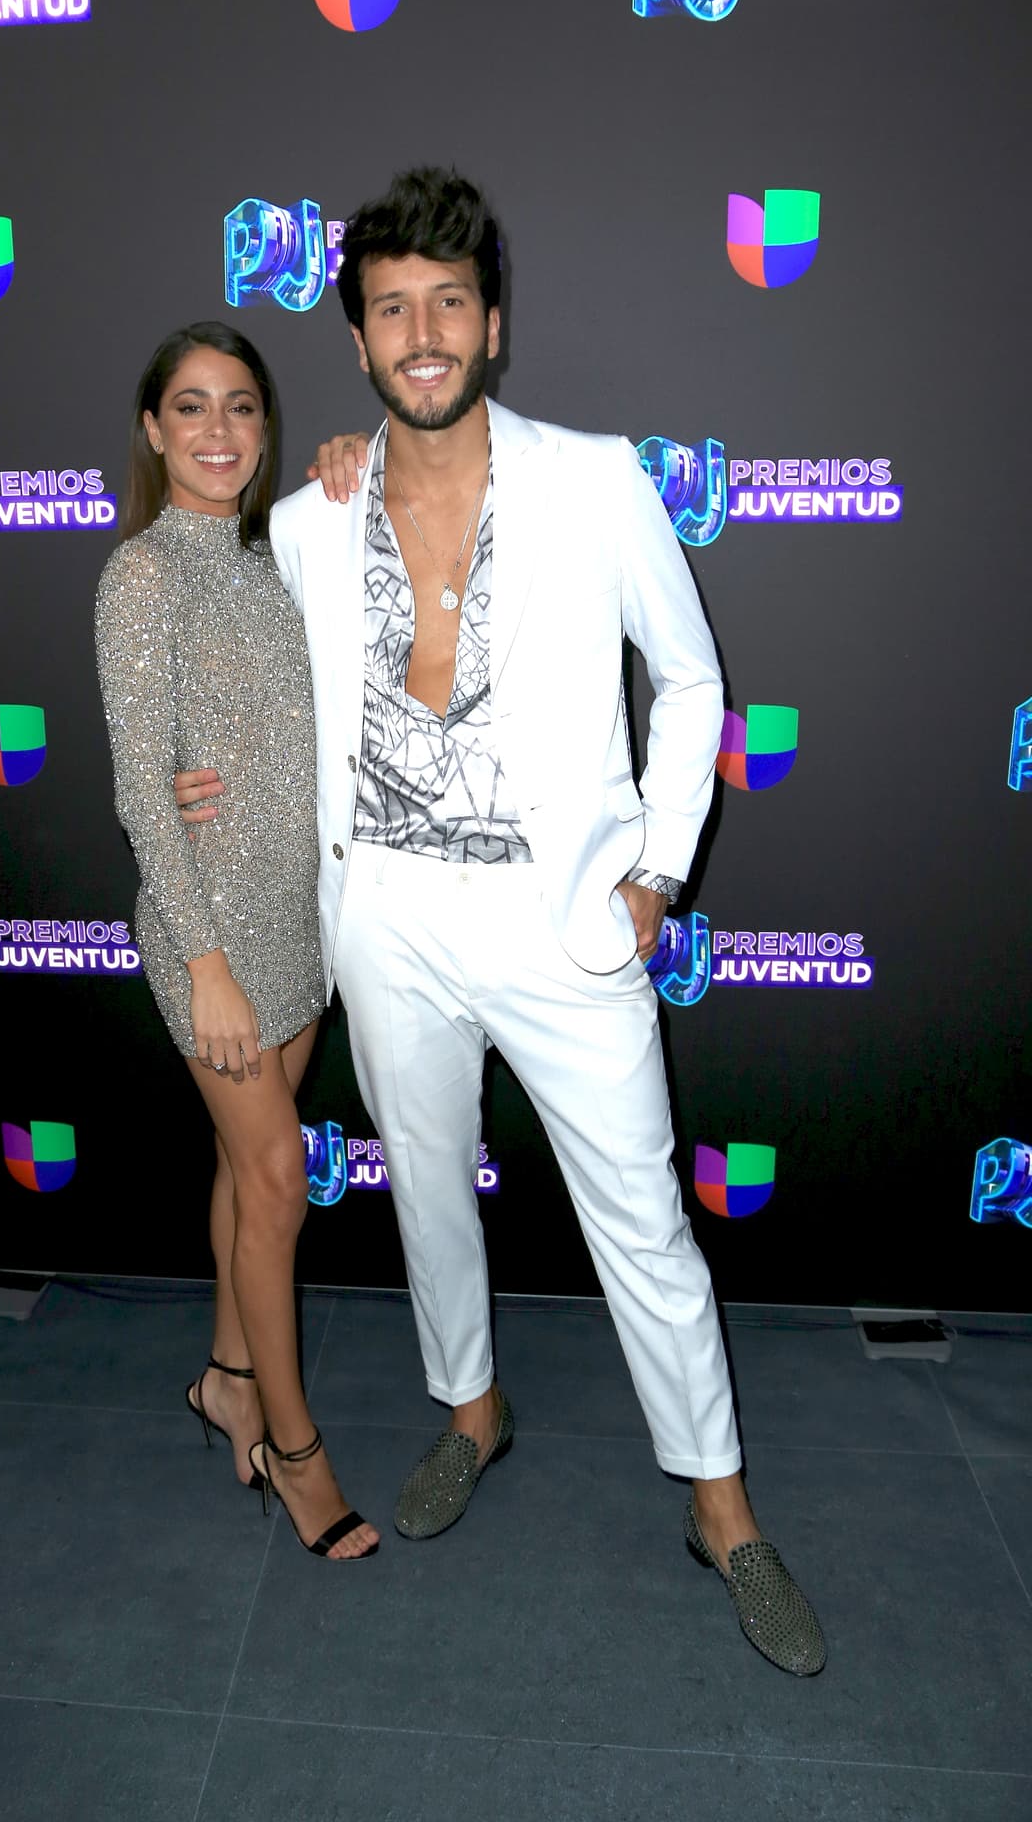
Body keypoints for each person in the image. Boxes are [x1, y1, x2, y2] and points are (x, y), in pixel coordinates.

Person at [175, 171, 823, 1672]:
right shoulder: (309, 519)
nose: (422, 332)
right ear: (356, 339)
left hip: (565, 925)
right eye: (391, 306)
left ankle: (721, 1508)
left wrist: (658, 867)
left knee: (646, 1225)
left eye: (447, 303)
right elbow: (226, 682)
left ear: (494, 323)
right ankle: (471, 1409)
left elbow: (695, 677)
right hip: (386, 918)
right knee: (423, 1192)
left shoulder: (598, 481)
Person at [95, 322, 377, 1560]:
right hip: (206, 931)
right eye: (192, 408)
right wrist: (203, 964)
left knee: (237, 1170)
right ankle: (295, 1452)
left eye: (242, 408)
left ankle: (221, 1376)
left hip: (293, 919)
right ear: (154, 430)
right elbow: (137, 791)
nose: (219, 432)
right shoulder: (141, 576)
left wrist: (344, 481)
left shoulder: (273, 562)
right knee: (274, 1182)